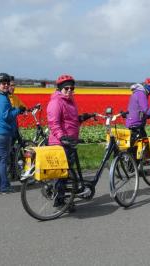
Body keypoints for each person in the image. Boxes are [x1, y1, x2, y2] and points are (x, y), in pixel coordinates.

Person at [47, 74, 86, 208]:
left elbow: (70, 120)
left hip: (70, 141)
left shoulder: (70, 101)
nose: (69, 90)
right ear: (60, 89)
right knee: (63, 172)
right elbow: (54, 123)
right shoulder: (56, 102)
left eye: (72, 88)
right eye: (66, 88)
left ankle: (63, 197)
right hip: (60, 142)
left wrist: (81, 118)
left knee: (66, 171)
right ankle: (61, 202)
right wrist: (62, 136)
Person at [0, 73, 25, 194]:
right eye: (4, 83)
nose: (6, 85)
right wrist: (18, 110)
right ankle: (5, 187)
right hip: (3, 132)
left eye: (8, 83)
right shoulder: (2, 98)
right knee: (3, 160)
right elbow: (6, 116)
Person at [125, 78, 150, 146]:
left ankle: (130, 155)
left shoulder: (138, 92)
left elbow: (140, 110)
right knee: (142, 145)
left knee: (136, 145)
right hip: (137, 123)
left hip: (133, 121)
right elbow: (145, 110)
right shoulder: (141, 94)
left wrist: (148, 115)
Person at [7, 76, 27, 144]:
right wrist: (19, 110)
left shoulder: (14, 97)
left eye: (14, 85)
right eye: (11, 85)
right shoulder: (4, 98)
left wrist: (27, 110)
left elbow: (23, 106)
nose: (13, 87)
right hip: (6, 128)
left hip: (13, 126)